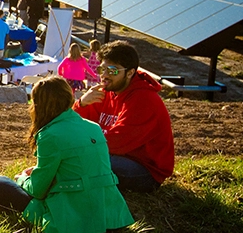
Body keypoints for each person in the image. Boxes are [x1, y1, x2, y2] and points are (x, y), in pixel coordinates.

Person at [0, 76, 135, 233]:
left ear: (38, 104)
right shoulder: (94, 128)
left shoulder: (49, 135)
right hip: (110, 215)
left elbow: (38, 190)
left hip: (72, 218)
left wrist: (23, 178)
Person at [74, 41, 174, 193]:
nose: (104, 75)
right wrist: (81, 103)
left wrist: (79, 143)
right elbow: (72, 124)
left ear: (130, 73)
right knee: (75, 159)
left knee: (83, 162)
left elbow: (116, 142)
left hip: (144, 169)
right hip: (114, 154)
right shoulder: (105, 91)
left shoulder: (144, 100)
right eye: (102, 69)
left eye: (112, 70)